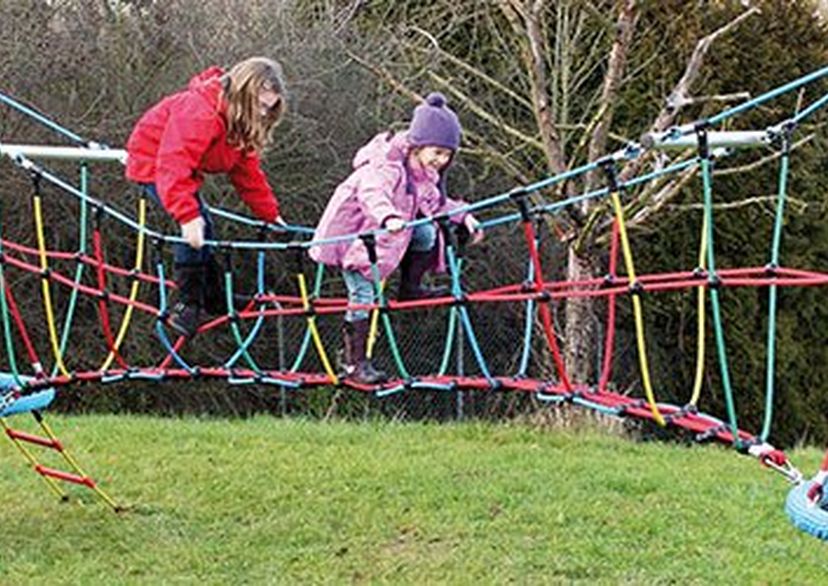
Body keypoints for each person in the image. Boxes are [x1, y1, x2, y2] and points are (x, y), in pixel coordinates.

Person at [309, 92, 483, 384]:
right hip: (353, 238)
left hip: (382, 240)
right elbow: (372, 193)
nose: (440, 161)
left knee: (426, 231)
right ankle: (355, 364)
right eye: (436, 152)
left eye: (446, 155)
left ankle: (410, 287)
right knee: (363, 296)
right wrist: (389, 217)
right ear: (417, 145)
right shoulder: (387, 165)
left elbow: (437, 205)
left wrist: (465, 216)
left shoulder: (424, 175)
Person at [125, 57, 287, 336]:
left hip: (178, 169)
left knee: (207, 228)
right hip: (153, 162)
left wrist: (271, 214)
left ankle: (213, 298)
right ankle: (187, 305)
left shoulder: (239, 123)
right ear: (242, 95)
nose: (262, 113)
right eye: (259, 105)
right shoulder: (200, 112)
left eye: (268, 108)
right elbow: (173, 163)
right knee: (195, 229)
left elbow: (248, 174)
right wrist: (186, 216)